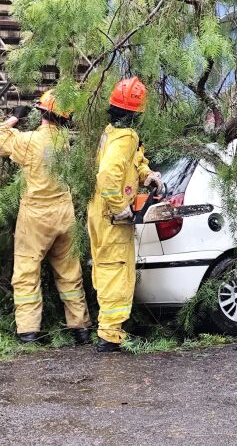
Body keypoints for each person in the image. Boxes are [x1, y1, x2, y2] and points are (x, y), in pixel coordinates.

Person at [0, 90, 92, 345]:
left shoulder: (29, 141)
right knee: (70, 272)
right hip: (64, 214)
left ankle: (28, 332)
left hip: (35, 216)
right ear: (65, 118)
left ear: (41, 112)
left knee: (27, 271)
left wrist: (14, 118)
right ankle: (80, 328)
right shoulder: (65, 143)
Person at [87, 76, 163, 352]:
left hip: (99, 213)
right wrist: (120, 207)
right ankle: (110, 336)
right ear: (137, 113)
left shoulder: (112, 132)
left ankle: (109, 330)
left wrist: (147, 175)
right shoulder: (127, 137)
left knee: (106, 268)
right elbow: (108, 174)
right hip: (112, 217)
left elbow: (131, 162)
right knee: (116, 271)